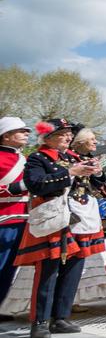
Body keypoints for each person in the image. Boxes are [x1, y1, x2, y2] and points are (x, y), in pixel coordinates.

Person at [15, 119, 105, 338]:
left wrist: (97, 173)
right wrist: (71, 172)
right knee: (48, 272)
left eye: (68, 134)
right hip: (55, 220)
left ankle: (61, 317)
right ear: (48, 138)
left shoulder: (72, 158)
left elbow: (99, 187)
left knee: (73, 269)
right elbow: (35, 184)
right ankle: (40, 321)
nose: (68, 137)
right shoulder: (38, 158)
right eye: (62, 134)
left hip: (79, 220)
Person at [67, 127, 106, 308]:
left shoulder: (87, 159)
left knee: (85, 254)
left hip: (87, 209)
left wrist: (97, 172)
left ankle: (75, 299)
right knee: (72, 253)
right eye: (92, 139)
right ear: (80, 142)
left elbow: (98, 184)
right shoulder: (68, 158)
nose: (95, 142)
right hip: (71, 208)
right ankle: (69, 300)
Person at [0, 118, 30, 320]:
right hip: (4, 219)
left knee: (10, 268)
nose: (26, 134)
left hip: (22, 217)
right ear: (6, 135)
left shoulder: (24, 159)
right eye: (20, 131)